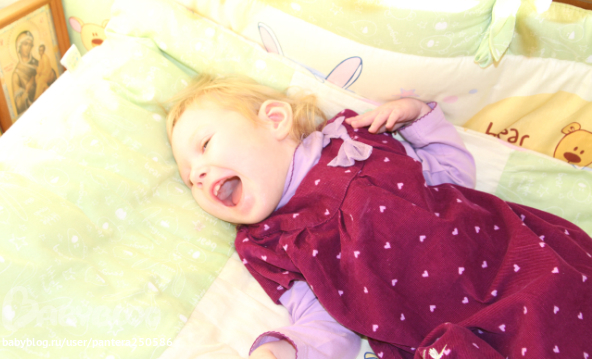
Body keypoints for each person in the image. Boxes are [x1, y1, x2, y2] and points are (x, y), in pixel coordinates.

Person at [167, 74, 592, 359]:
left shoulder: (352, 139)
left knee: (564, 310)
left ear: (275, 120)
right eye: (188, 178)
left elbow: (453, 179)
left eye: (204, 145)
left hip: (504, 260)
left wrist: (420, 118)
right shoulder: (267, 244)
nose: (198, 173)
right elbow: (328, 320)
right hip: (443, 332)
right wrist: (282, 349)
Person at [11, 31, 39, 115]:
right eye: (25, 44)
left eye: (30, 45)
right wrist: (27, 90)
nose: (28, 47)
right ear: (19, 47)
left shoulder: (38, 64)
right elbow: (19, 105)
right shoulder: (17, 74)